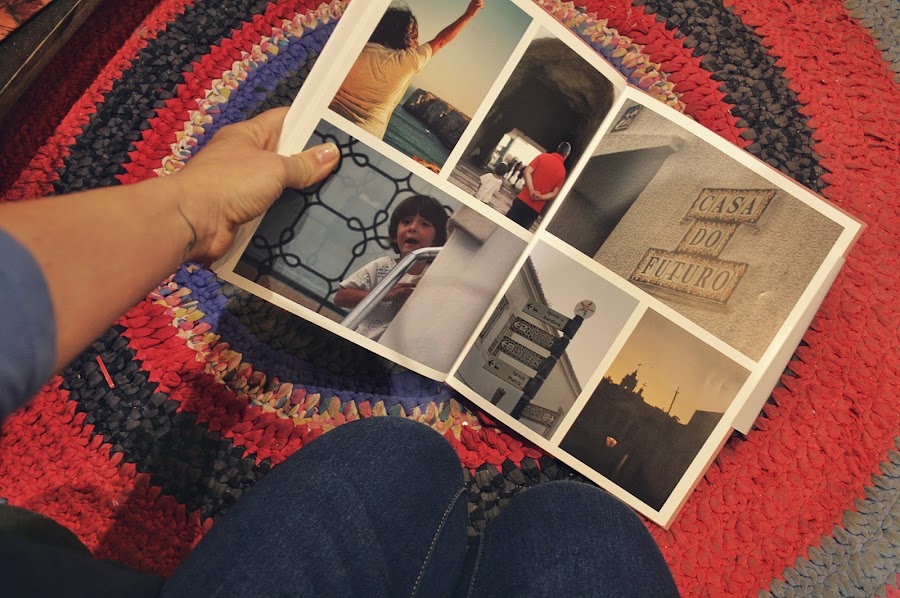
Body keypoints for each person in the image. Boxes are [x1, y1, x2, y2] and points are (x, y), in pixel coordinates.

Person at [0, 109, 679, 597]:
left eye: (424, 225)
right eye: (408, 224)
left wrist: (186, 210)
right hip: (379, 338)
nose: (414, 231)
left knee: (399, 458)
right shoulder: (391, 262)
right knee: (584, 525)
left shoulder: (441, 257)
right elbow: (355, 292)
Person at [329, 0, 484, 139]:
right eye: (415, 37)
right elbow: (440, 41)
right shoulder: (405, 61)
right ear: (404, 35)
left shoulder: (356, 47)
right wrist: (468, 15)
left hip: (328, 116)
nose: (417, 43)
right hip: (364, 133)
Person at [334, 195, 449, 341]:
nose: (413, 228)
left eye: (424, 224)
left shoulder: (436, 277)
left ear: (437, 240)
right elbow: (340, 298)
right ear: (395, 235)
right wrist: (382, 294)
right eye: (406, 222)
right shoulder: (381, 266)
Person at [506, 142, 571, 230]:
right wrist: (540, 197)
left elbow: (527, 172)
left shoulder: (542, 157)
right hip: (535, 209)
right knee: (519, 233)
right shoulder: (562, 172)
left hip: (522, 200)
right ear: (566, 155)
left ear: (557, 149)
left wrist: (532, 191)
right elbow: (554, 193)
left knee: (505, 225)